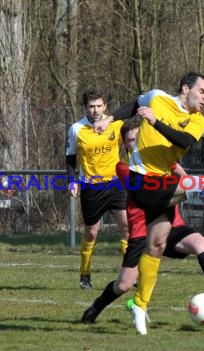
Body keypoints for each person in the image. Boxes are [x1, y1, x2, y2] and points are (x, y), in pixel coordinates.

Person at [94, 71, 204, 334]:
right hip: (144, 181)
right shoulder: (157, 98)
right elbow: (135, 103)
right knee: (200, 185)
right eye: (202, 92)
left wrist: (155, 123)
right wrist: (110, 118)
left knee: (155, 246)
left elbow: (183, 141)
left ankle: (140, 305)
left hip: (164, 184)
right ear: (185, 88)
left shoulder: (197, 121)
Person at [81, 124, 204, 333]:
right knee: (124, 284)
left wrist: (179, 172)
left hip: (170, 226)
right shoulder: (124, 169)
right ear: (125, 145)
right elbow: (153, 194)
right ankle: (97, 306)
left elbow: (186, 180)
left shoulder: (161, 161)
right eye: (131, 141)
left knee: (201, 242)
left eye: (139, 139)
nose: (136, 144)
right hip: (142, 234)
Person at [65, 89, 129, 290]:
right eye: (91, 106)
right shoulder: (77, 129)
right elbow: (70, 157)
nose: (95, 110)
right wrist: (72, 181)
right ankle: (85, 274)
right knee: (92, 232)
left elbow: (130, 145)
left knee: (127, 227)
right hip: (91, 187)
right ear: (86, 108)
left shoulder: (116, 125)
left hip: (116, 183)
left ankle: (129, 274)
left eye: (99, 106)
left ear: (105, 107)